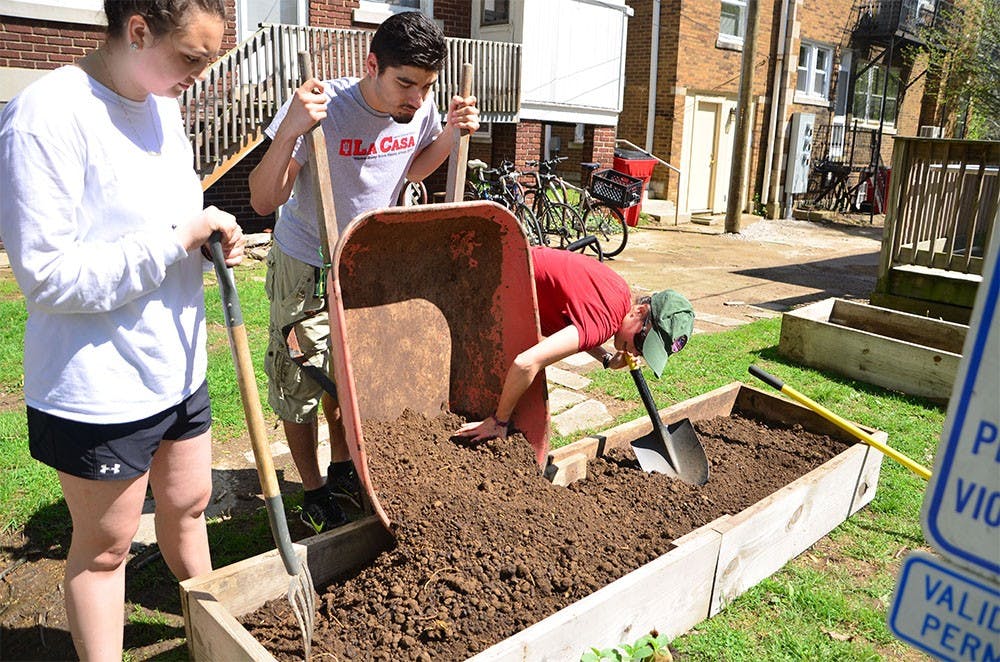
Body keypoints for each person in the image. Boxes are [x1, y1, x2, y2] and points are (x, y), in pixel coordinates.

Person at [0, 1, 244, 659]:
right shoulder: (44, 119)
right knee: (106, 550)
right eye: (193, 57)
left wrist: (208, 233)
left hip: (178, 363)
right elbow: (46, 275)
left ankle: (221, 637)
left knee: (189, 506)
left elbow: (170, 220)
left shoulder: (162, 99)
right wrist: (173, 241)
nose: (203, 73)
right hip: (99, 386)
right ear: (138, 29)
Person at [248, 11, 479, 534]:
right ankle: (312, 491)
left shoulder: (417, 109)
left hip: (366, 261)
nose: (416, 99)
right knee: (301, 381)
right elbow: (265, 198)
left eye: (426, 87)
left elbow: (409, 167)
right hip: (308, 261)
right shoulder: (324, 106)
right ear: (371, 65)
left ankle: (343, 468)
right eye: (405, 84)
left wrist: (447, 134)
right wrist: (290, 128)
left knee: (349, 376)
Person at [455, 246, 694, 442]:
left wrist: (607, 359)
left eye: (644, 352)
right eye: (642, 342)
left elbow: (576, 325)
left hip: (495, 258)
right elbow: (526, 363)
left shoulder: (618, 291)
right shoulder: (605, 322)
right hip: (483, 282)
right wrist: (499, 421)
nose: (635, 351)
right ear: (639, 311)